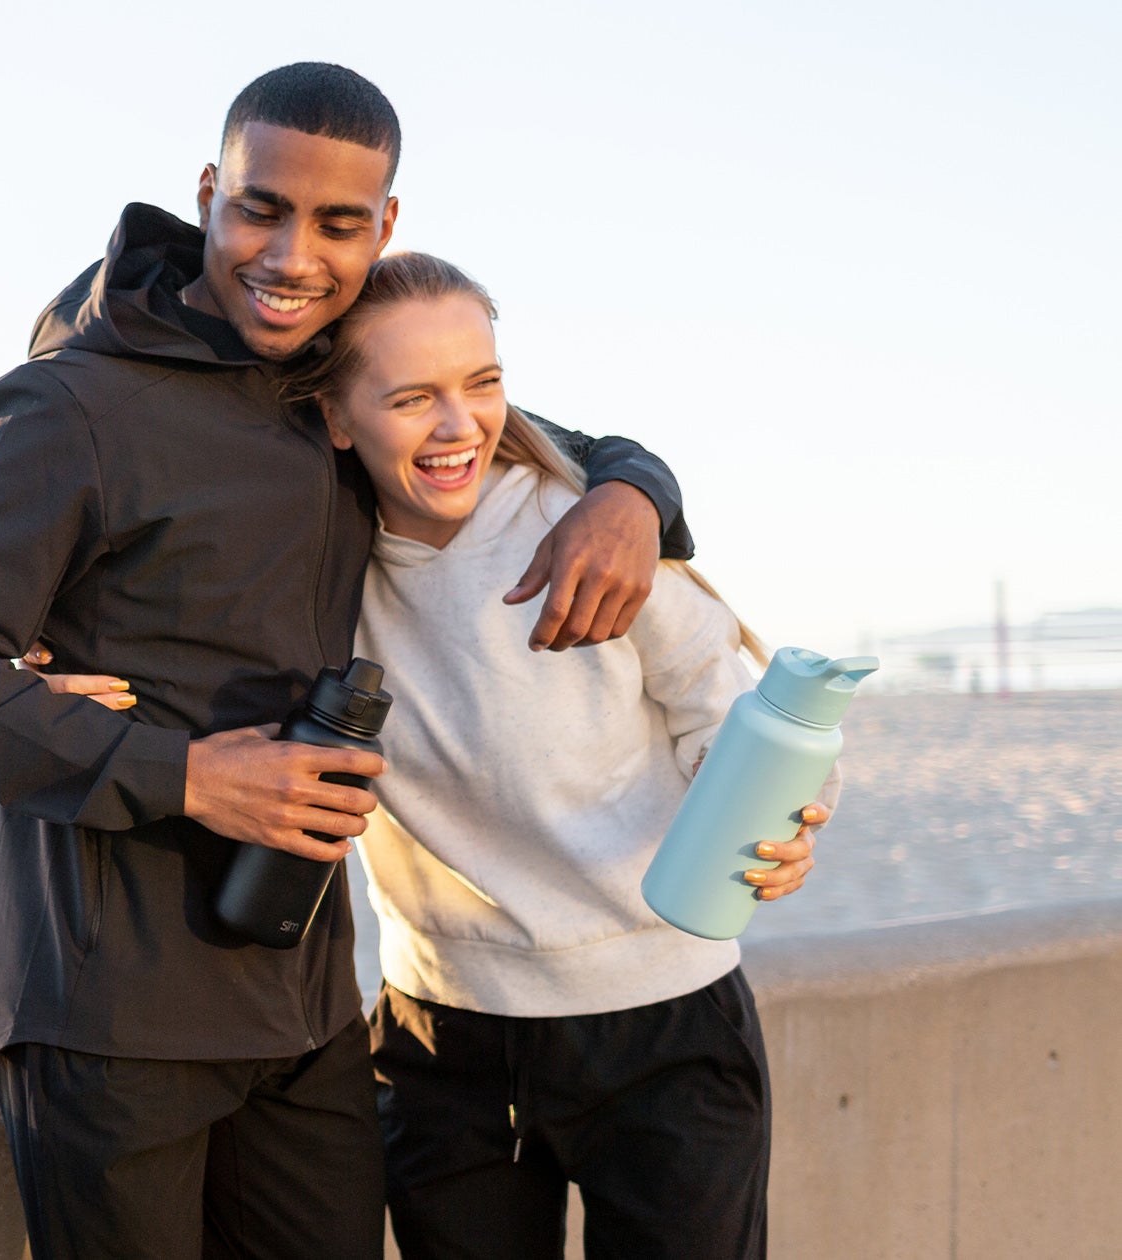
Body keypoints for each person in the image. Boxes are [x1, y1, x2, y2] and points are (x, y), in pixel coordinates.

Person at [0, 65, 694, 1260]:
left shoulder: (341, 385)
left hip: (306, 1014)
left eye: (338, 223)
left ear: (384, 229)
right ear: (207, 193)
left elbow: (550, 442)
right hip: (109, 1015)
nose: (292, 255)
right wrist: (189, 776)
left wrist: (632, 495)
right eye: (261, 208)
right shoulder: (66, 406)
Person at [48, 252, 833, 1258]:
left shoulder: (584, 529)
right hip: (441, 1038)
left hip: (663, 1023)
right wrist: (44, 650)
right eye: (413, 396)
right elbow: (166, 608)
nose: (459, 424)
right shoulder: (311, 568)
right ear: (337, 419)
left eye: (484, 383)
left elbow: (735, 719)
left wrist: (788, 824)